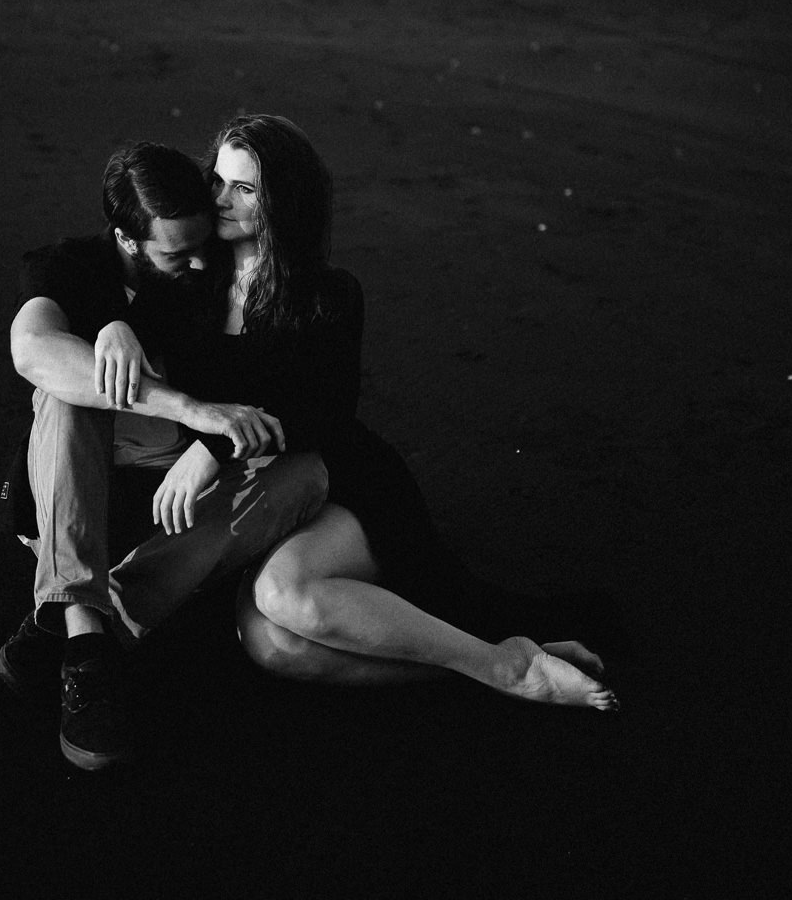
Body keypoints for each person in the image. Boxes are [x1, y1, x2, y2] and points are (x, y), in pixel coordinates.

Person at [154, 114, 618, 711]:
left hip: (340, 482)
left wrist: (212, 443)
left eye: (244, 189)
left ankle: (510, 669)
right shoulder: (189, 282)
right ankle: (485, 665)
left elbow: (322, 413)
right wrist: (115, 328)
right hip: (247, 495)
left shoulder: (327, 294)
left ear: (284, 202)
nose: (220, 199)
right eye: (217, 181)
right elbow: (97, 275)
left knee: (284, 597)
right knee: (273, 647)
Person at [0, 141, 329, 771]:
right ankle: (87, 649)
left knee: (306, 476)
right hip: (76, 489)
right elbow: (32, 349)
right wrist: (188, 407)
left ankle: (71, 626)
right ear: (126, 238)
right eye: (178, 254)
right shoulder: (66, 266)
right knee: (68, 391)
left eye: (203, 245)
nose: (200, 263)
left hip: (180, 494)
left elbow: (285, 379)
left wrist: (205, 441)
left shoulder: (201, 270)